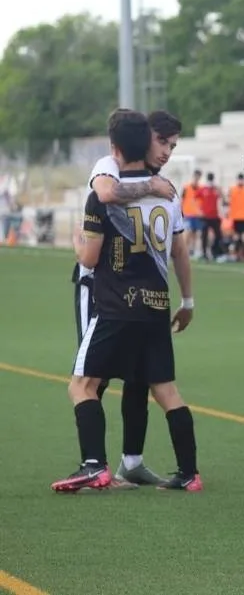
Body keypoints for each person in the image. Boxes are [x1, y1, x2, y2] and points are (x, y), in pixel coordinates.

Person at [53, 109, 201, 493]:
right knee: (164, 388)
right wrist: (187, 300)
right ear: (146, 141)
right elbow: (179, 250)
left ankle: (94, 465)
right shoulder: (167, 192)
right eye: (163, 142)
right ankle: (189, 473)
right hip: (156, 304)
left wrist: (77, 242)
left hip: (115, 304)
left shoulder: (103, 193)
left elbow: (89, 258)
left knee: (82, 384)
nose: (167, 150)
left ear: (114, 147)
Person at [198, 173, 223, 260]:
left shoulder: (216, 189)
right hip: (205, 216)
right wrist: (199, 210)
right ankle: (204, 253)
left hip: (214, 216)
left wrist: (219, 190)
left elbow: (222, 198)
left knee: (218, 235)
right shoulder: (203, 189)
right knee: (204, 235)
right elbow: (195, 199)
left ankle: (214, 251)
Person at [181, 170, 204, 258]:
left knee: (196, 234)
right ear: (193, 176)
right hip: (188, 214)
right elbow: (182, 200)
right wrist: (181, 212)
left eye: (198, 177)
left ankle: (194, 251)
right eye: (195, 176)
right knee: (187, 233)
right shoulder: (186, 187)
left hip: (197, 215)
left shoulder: (201, 188)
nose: (197, 178)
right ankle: (185, 251)